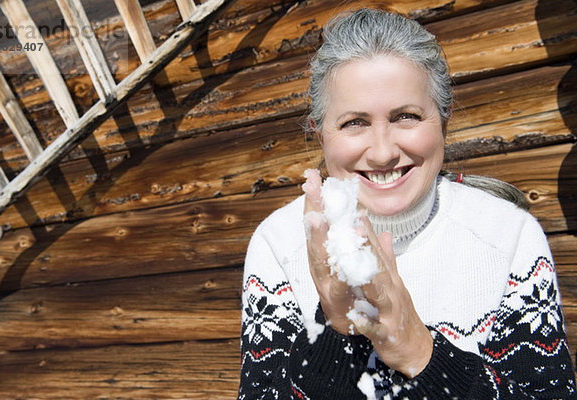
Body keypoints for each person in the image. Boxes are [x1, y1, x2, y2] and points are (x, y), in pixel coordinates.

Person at [238, 8, 576, 399]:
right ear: (320, 135)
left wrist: (419, 352)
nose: (382, 153)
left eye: (406, 116)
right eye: (354, 123)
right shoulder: (279, 245)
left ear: (443, 123)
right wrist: (337, 331)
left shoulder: (507, 236)